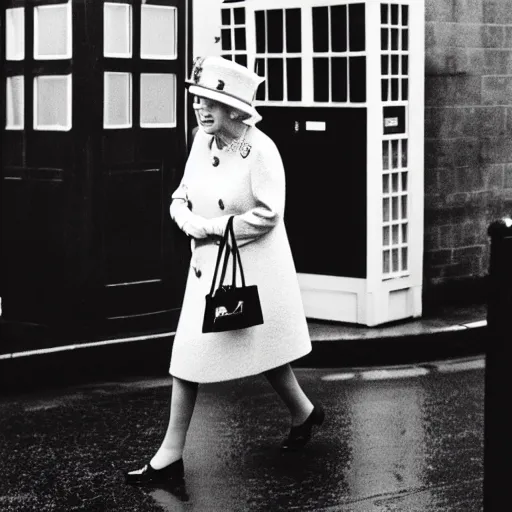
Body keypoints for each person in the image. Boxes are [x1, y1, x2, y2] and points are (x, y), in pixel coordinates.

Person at [125, 56, 324, 486]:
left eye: (211, 101)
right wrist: (182, 215)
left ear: (236, 108)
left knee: (253, 347)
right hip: (210, 271)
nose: (200, 107)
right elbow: (184, 192)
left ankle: (171, 456)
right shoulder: (202, 141)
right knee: (199, 355)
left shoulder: (262, 150)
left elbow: (269, 215)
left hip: (252, 270)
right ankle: (302, 413)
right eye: (198, 98)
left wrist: (211, 227)